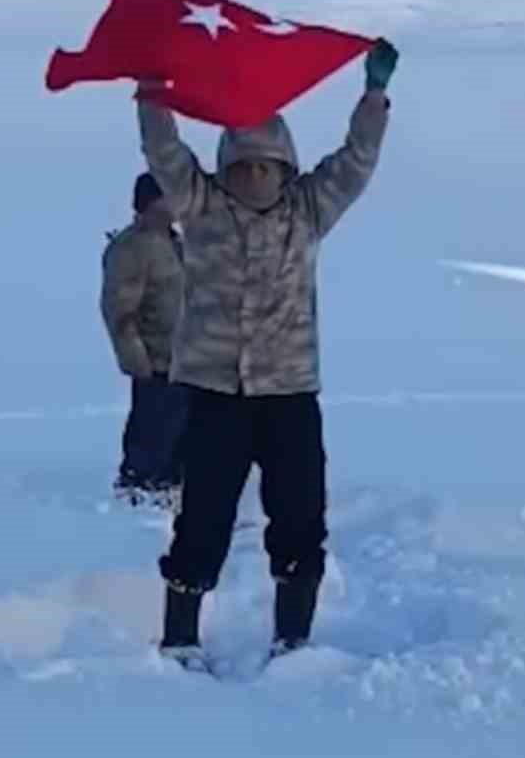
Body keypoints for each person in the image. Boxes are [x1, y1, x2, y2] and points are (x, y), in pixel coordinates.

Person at [137, 38, 397, 666]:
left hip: (289, 396)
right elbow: (165, 154)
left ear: (287, 168)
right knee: (203, 519)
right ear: (225, 170)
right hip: (214, 396)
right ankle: (180, 639)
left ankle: (294, 640)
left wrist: (373, 95)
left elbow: (357, 160)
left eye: (267, 166)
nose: (254, 176)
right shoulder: (200, 209)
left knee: (300, 515)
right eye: (242, 166)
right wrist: (150, 94)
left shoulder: (308, 209)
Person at [100, 172, 187, 504]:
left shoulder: (175, 242)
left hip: (185, 360)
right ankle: (138, 492)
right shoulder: (133, 246)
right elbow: (118, 309)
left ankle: (170, 488)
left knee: (180, 431)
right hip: (154, 360)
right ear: (152, 202)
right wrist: (136, 359)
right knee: (152, 431)